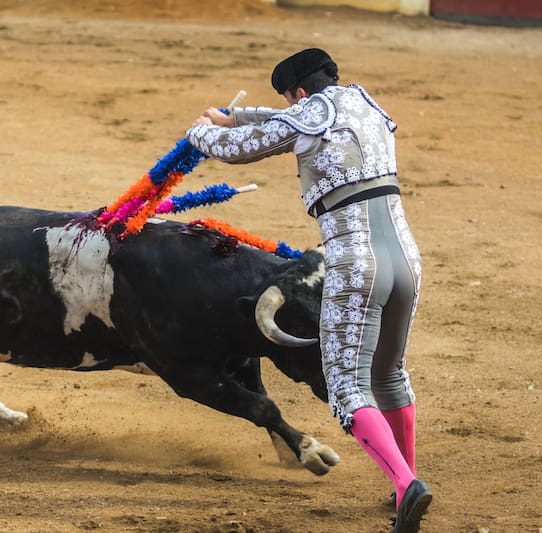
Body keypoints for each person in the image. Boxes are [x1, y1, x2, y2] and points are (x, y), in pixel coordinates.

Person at [185, 48, 432, 533]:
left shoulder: (305, 115)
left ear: (299, 93)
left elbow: (242, 149)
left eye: (290, 99)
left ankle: (406, 485)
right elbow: (293, 119)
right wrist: (237, 116)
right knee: (389, 374)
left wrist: (202, 131)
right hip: (407, 259)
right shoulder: (363, 103)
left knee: (346, 386)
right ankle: (406, 477)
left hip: (356, 264)